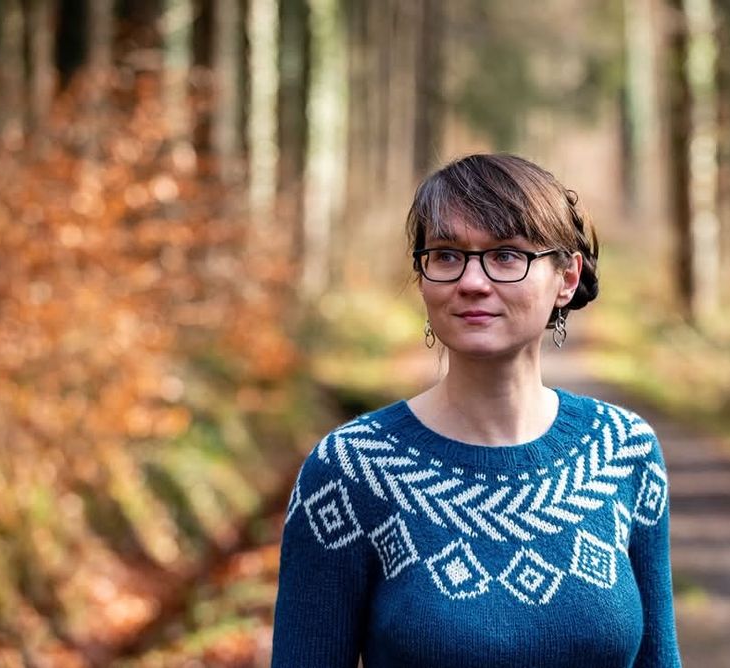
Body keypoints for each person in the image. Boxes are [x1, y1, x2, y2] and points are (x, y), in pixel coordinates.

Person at [271, 153, 682, 667]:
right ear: (423, 278)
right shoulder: (351, 472)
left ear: (567, 277)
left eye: (507, 255)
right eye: (446, 255)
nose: (472, 281)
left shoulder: (622, 451)